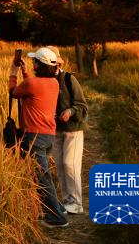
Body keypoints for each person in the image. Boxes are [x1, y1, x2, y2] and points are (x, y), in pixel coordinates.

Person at [9, 46, 69, 228]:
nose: (33, 63)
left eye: (35, 61)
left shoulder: (32, 84)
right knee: (44, 176)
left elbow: (13, 92)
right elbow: (34, 90)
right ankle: (58, 208)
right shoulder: (54, 83)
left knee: (42, 178)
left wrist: (14, 71)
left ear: (39, 65)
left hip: (34, 137)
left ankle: (57, 218)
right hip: (48, 135)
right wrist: (26, 72)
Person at [51, 48, 88, 214]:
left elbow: (82, 106)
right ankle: (67, 201)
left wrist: (70, 112)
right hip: (54, 130)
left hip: (73, 130)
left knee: (70, 164)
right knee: (59, 165)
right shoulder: (43, 81)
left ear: (56, 64)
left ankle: (76, 203)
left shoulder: (68, 79)